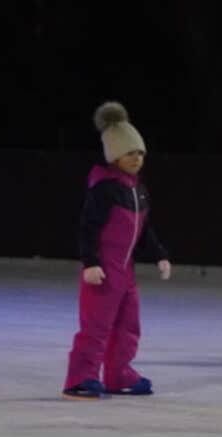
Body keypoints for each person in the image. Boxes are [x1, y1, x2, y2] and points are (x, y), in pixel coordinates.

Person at [63, 101, 171, 400]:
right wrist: (91, 263)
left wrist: (159, 254)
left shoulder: (137, 188)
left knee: (128, 326)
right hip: (103, 271)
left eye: (140, 153)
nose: (136, 159)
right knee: (96, 326)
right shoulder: (104, 188)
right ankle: (81, 377)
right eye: (129, 153)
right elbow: (88, 228)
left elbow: (143, 230)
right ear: (114, 155)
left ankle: (118, 374)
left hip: (126, 273)